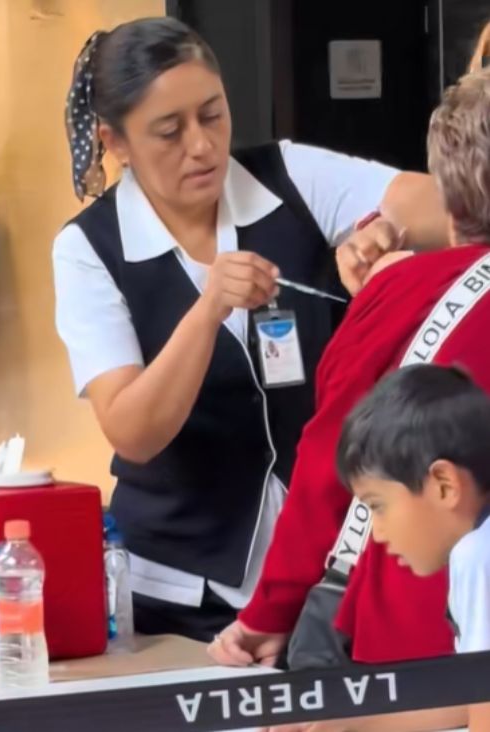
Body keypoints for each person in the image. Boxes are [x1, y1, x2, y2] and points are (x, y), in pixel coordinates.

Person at [52, 17, 449, 641]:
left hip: (318, 569)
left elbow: (445, 203)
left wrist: (382, 228)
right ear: (116, 141)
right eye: (169, 131)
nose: (202, 145)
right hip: (177, 589)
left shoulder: (286, 176)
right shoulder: (88, 250)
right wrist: (207, 309)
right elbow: (133, 431)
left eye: (212, 115)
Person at [207, 69, 490, 711]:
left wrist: (268, 611)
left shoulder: (404, 292)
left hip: (416, 642)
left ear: (450, 199)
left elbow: (333, 466)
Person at [328, 365, 486, 732]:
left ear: (444, 484)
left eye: (377, 505)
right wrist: (353, 723)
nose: (377, 534)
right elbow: (475, 697)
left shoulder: (479, 556)